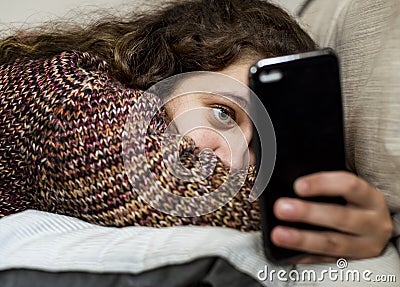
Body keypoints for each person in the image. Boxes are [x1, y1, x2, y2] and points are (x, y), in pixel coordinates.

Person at [0, 0, 395, 267]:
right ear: (160, 76)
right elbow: (126, 165)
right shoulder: (52, 88)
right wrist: (320, 220)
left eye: (262, 146)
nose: (236, 160)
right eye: (223, 113)